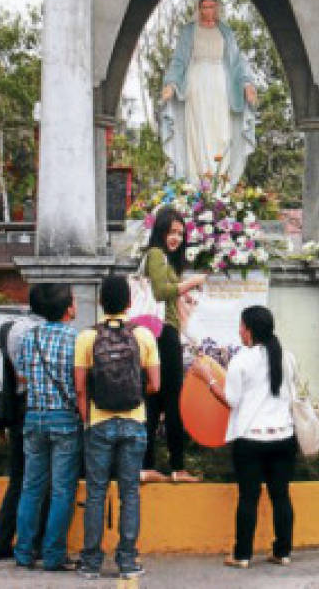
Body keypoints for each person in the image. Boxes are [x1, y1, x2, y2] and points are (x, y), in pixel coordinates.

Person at [192, 305, 296, 569]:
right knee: (280, 496)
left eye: (241, 326)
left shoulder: (242, 360)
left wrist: (209, 379)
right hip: (283, 437)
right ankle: (282, 552)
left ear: (249, 331)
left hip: (250, 440)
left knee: (248, 497)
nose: (239, 331)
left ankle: (242, 555)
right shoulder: (286, 357)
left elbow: (230, 401)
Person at [75, 274, 160, 579]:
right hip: (134, 421)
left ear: (101, 302)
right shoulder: (144, 336)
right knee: (130, 493)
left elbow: (81, 389)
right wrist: (134, 395)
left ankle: (90, 562)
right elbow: (155, 384)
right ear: (128, 302)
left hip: (99, 421)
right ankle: (127, 561)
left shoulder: (87, 336)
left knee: (96, 492)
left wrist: (89, 422)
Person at [14, 284, 81, 572]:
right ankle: (53, 555)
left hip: (34, 417)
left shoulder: (31, 337)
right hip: (64, 418)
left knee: (31, 488)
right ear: (68, 309)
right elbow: (80, 384)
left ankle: (24, 552)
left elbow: (22, 375)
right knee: (62, 491)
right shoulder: (76, 339)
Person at [160, 0, 257, 184]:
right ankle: (198, 185)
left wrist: (247, 84)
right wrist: (171, 83)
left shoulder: (226, 32)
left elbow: (237, 61)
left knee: (221, 133)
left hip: (221, 85)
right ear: (199, 8)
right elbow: (179, 60)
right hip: (196, 84)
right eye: (204, 7)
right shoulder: (189, 31)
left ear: (217, 7)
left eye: (212, 6)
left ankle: (220, 185)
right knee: (198, 133)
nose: (208, 11)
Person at [141, 205, 206, 483]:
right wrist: (190, 283)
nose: (176, 237)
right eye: (171, 231)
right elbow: (159, 292)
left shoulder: (166, 260)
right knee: (172, 400)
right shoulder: (156, 254)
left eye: (180, 233)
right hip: (162, 335)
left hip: (161, 334)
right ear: (160, 231)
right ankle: (177, 467)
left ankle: (147, 466)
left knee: (154, 401)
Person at [0, 285, 49, 561]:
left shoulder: (12, 328)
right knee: (41, 479)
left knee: (19, 479)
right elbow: (28, 375)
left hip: (15, 409)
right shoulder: (40, 332)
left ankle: (0, 542)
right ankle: (35, 542)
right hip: (33, 408)